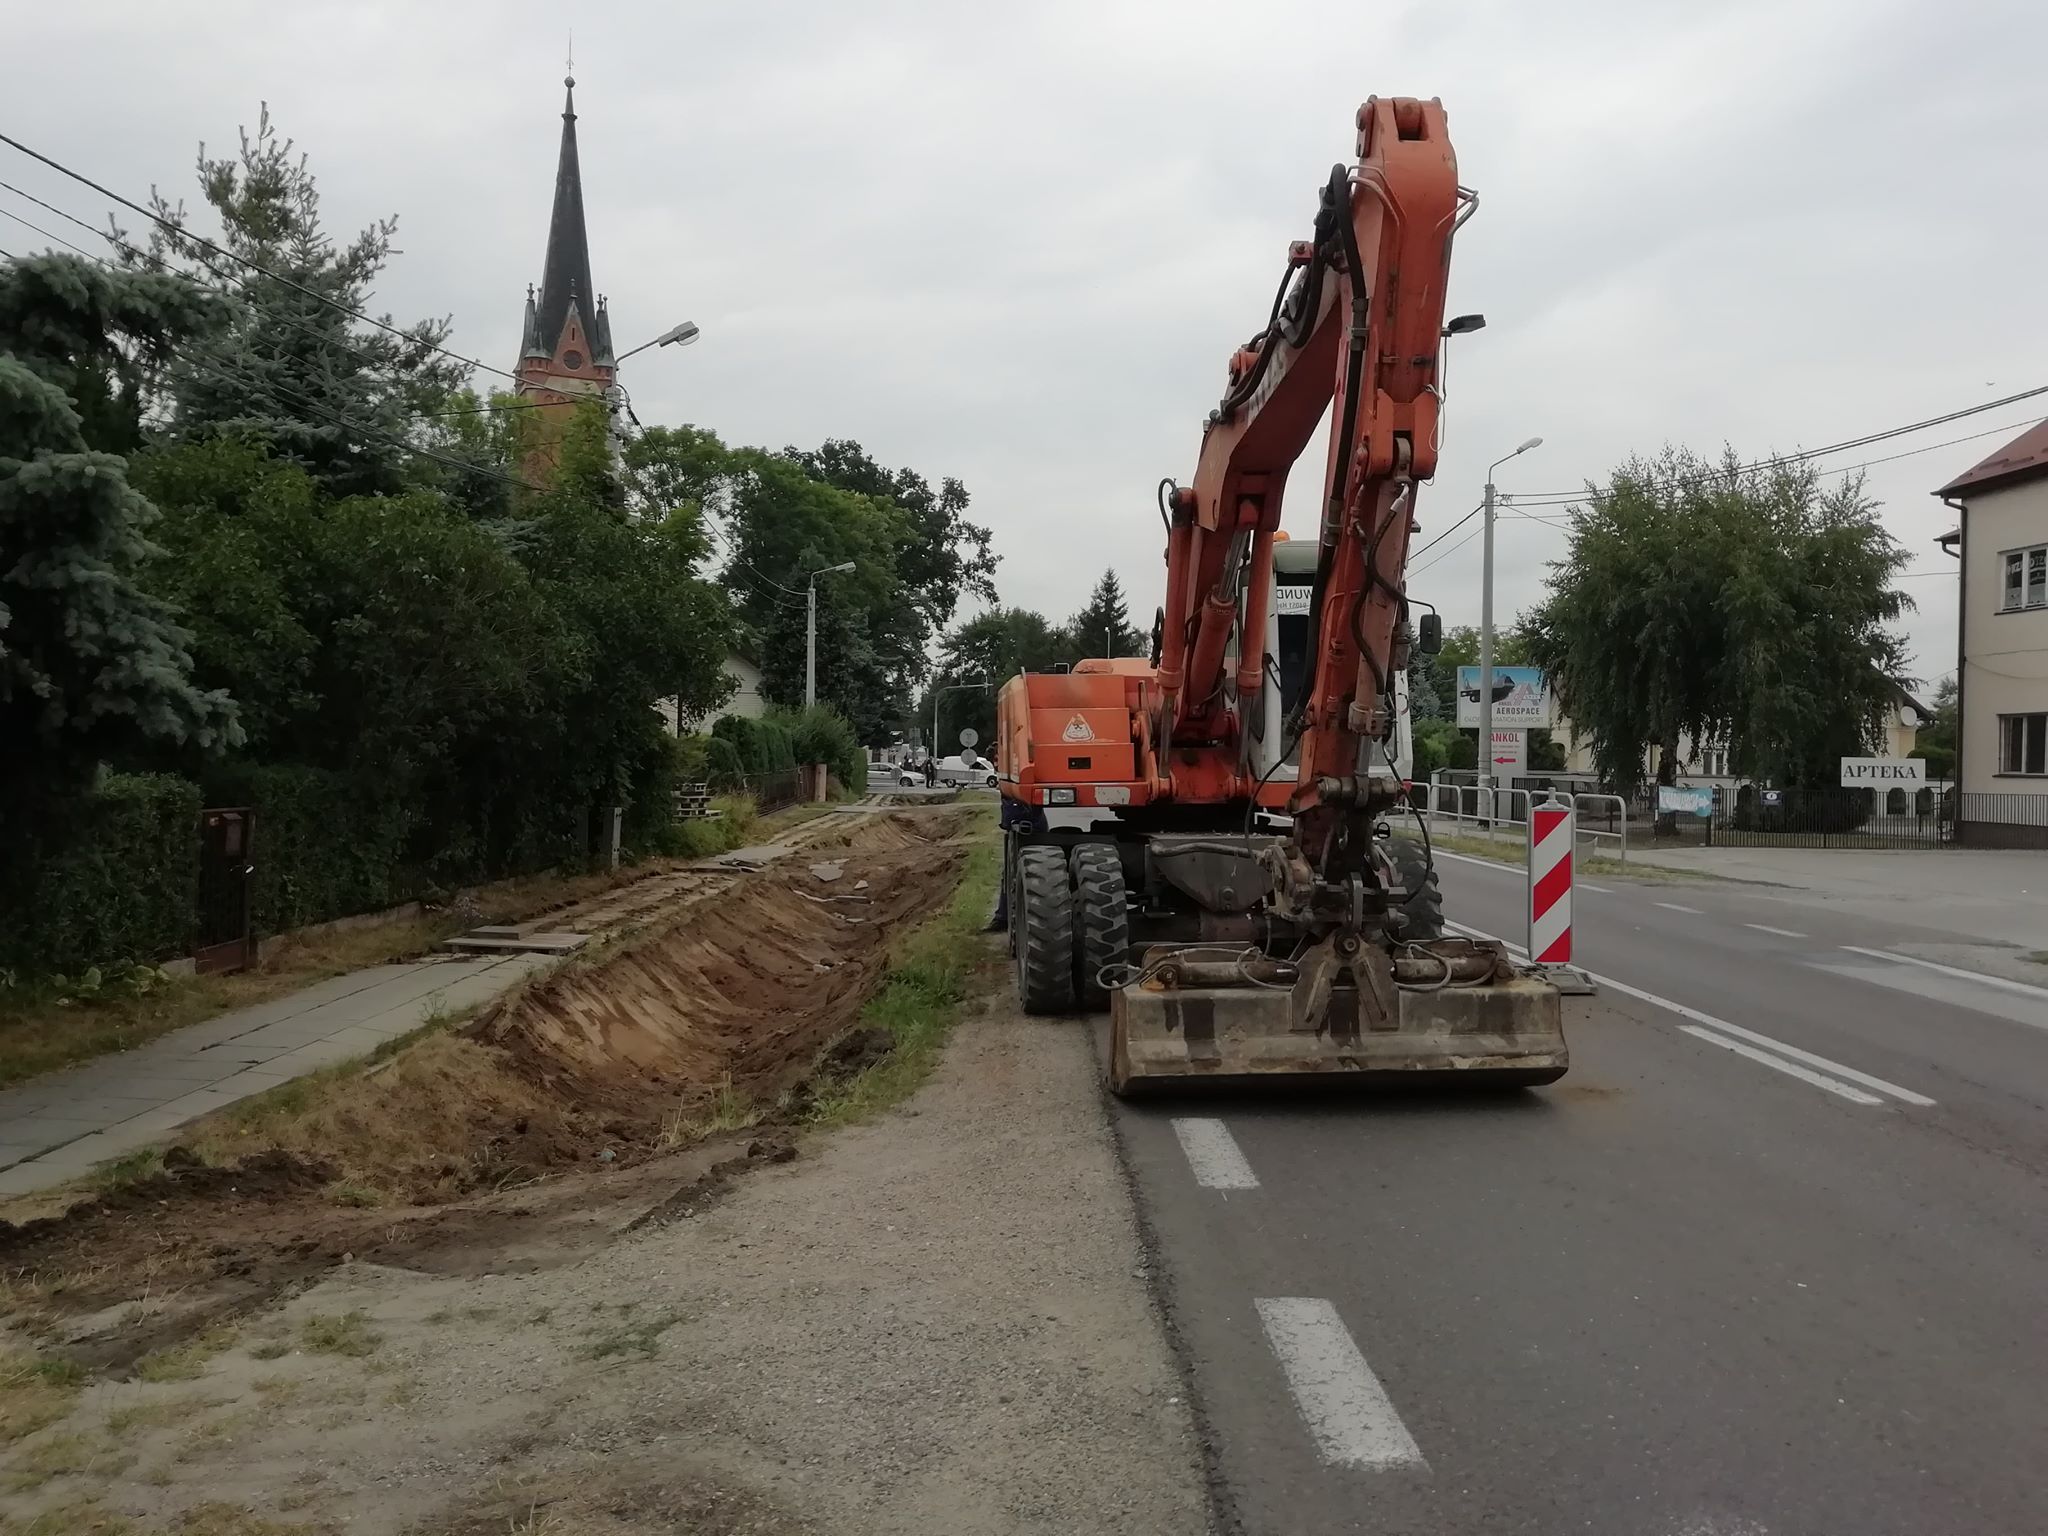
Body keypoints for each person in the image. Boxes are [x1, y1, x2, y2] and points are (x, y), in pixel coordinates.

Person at [988, 794, 1049, 932]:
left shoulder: (1017, 794)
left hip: (1030, 829)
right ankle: (1004, 917)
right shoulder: (1011, 791)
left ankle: (1006, 918)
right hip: (1023, 827)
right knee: (1012, 874)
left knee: (1021, 875)